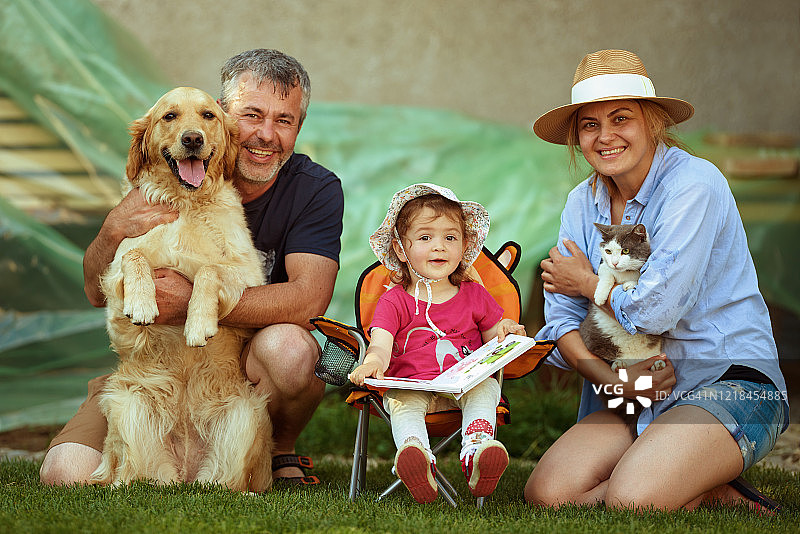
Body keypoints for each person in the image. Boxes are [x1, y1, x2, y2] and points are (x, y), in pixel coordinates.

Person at [39, 49, 344, 487]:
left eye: (284, 120)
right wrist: (112, 231)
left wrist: (192, 302)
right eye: (251, 115)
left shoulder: (314, 189)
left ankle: (278, 449)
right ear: (223, 116)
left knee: (291, 349)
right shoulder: (157, 180)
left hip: (235, 366)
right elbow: (94, 291)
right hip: (153, 367)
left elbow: (308, 299)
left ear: (299, 127)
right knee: (65, 474)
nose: (264, 134)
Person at [523, 49, 789, 512]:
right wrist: (613, 382)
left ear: (652, 122)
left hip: (726, 378)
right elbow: (561, 319)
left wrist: (588, 284)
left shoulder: (694, 185)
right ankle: (692, 483)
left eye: (620, 119)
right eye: (589, 125)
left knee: (633, 499)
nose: (605, 137)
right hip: (632, 386)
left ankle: (679, 478)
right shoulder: (580, 204)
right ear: (577, 138)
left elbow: (657, 310)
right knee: (547, 494)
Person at [348, 183, 526, 503]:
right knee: (402, 400)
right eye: (426, 237)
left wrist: (506, 330)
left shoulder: (475, 295)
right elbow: (380, 343)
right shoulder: (394, 302)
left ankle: (477, 451)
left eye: (450, 237)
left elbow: (492, 338)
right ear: (402, 249)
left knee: (486, 386)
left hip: (463, 384)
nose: (439, 247)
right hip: (413, 385)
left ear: (463, 246)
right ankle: (416, 457)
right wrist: (373, 362)